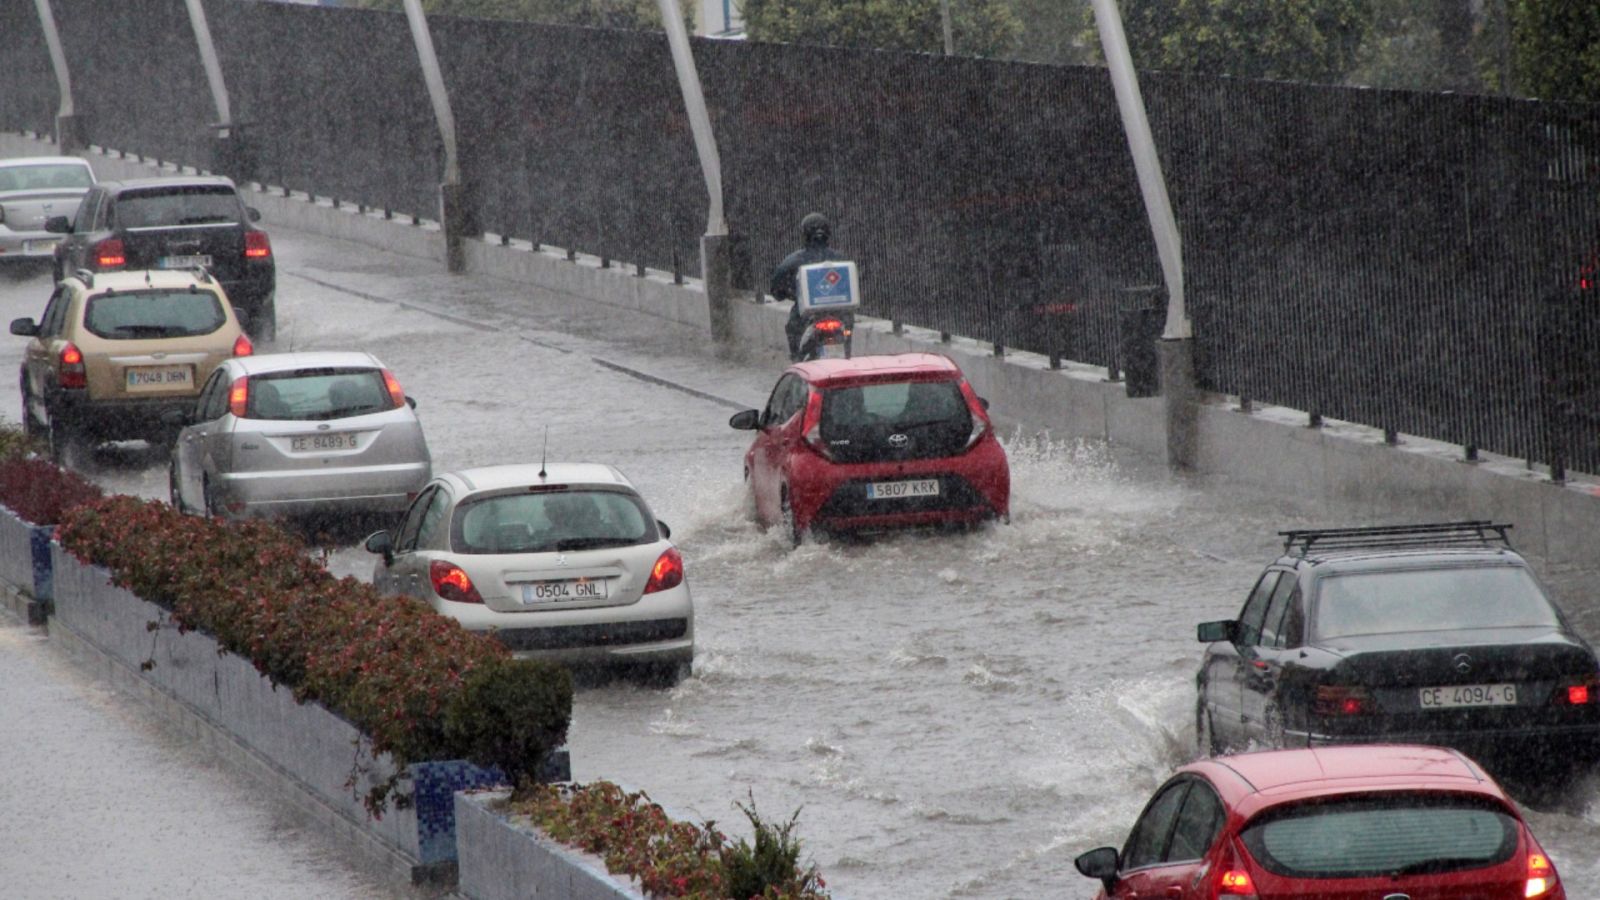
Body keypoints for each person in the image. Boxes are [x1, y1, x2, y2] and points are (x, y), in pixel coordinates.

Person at [770, 212, 844, 361]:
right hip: (840, 314)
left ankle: (798, 364)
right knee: (846, 332)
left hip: (805, 317)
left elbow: (776, 290)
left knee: (794, 334)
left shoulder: (794, 260)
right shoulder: (840, 259)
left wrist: (790, 292)